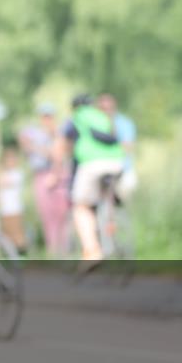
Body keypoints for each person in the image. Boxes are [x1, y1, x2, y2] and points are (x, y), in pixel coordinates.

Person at [55, 94, 123, 261]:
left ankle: (92, 251)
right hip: (116, 162)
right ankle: (110, 224)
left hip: (91, 164)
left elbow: (61, 146)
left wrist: (56, 172)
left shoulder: (75, 118)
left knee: (80, 207)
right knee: (102, 196)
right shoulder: (101, 115)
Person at [19, 103, 71, 256]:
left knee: (63, 214)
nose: (47, 119)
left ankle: (65, 251)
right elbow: (25, 141)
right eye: (44, 116)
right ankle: (53, 251)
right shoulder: (35, 132)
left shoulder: (59, 133)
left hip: (59, 175)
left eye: (49, 116)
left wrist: (43, 149)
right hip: (41, 175)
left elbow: (57, 154)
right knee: (48, 216)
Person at [97, 93, 138, 201]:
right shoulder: (95, 124)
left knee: (124, 194)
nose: (105, 111)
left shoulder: (124, 123)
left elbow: (128, 147)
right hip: (100, 169)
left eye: (108, 108)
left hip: (123, 170)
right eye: (102, 108)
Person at [0, 147, 28, 254]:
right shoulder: (6, 173)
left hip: (14, 208)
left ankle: (22, 253)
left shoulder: (17, 173)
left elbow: (3, 182)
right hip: (5, 209)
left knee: (17, 232)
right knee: (7, 233)